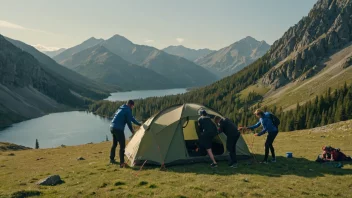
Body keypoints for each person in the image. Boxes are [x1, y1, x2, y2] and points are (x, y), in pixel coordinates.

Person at [110, 100, 141, 167]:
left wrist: (138, 124)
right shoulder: (128, 110)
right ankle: (122, 163)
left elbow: (131, 118)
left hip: (112, 127)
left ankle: (111, 159)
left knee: (114, 144)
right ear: (130, 105)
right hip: (118, 129)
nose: (132, 107)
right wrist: (132, 131)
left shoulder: (122, 108)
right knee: (122, 146)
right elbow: (128, 122)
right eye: (132, 106)